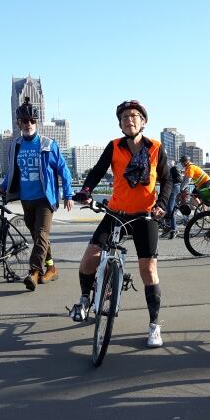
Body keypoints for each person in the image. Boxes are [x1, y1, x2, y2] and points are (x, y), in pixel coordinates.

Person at [69, 100, 173, 348]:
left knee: (148, 270)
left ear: (143, 121)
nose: (129, 119)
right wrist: (86, 190)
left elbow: (168, 180)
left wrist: (162, 204)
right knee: (89, 259)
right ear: (120, 123)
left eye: (134, 116)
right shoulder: (114, 147)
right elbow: (97, 171)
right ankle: (85, 299)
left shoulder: (156, 148)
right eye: (125, 117)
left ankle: (154, 325)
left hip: (145, 215)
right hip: (116, 213)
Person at [0, 96, 73, 292]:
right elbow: (12, 171)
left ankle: (34, 272)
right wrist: (3, 187)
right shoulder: (16, 145)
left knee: (40, 235)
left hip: (45, 199)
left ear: (36, 122)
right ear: (18, 123)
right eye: (24, 121)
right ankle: (52, 268)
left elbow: (63, 169)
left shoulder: (48, 144)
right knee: (40, 237)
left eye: (32, 121)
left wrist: (68, 194)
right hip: (26, 199)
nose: (28, 124)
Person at [162, 161, 182, 239]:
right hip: (173, 187)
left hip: (173, 187)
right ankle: (168, 228)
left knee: (170, 209)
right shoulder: (169, 163)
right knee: (168, 208)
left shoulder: (166, 165)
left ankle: (174, 229)